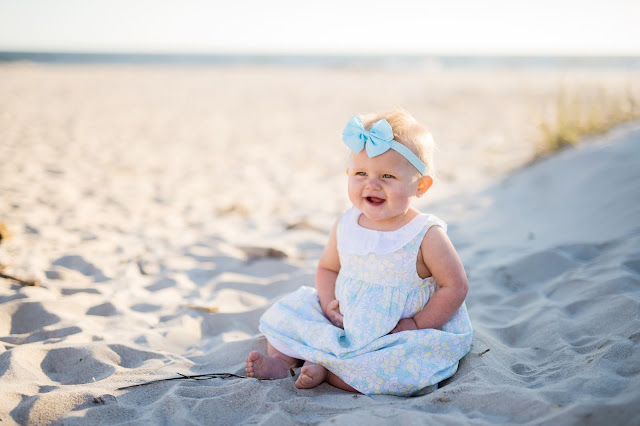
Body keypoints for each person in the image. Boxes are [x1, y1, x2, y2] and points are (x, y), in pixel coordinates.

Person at [245, 109, 473, 396]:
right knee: (288, 313)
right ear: (348, 175)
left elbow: (455, 286)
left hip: (392, 335)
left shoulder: (426, 234)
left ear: (421, 185)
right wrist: (328, 303)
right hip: (342, 321)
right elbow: (327, 269)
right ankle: (282, 363)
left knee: (396, 368)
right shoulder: (346, 223)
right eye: (361, 173)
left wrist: (417, 324)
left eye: (387, 175)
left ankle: (326, 369)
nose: (372, 184)